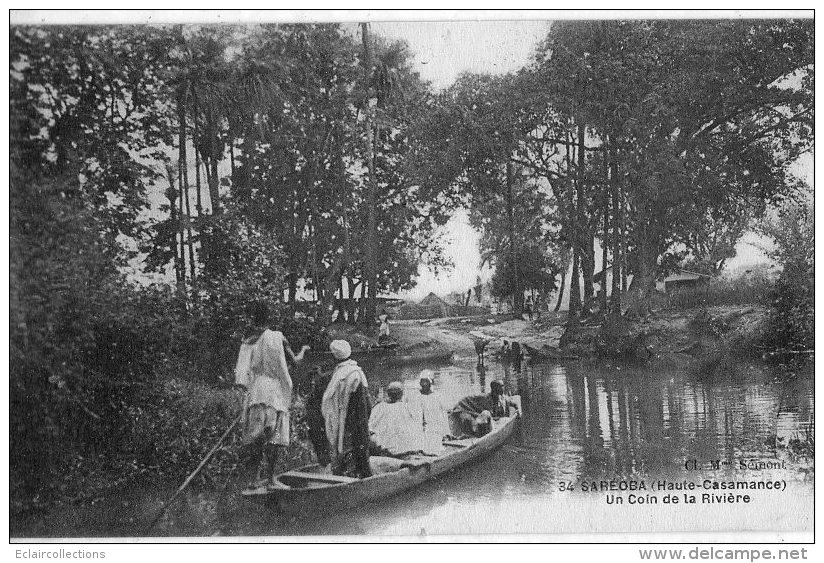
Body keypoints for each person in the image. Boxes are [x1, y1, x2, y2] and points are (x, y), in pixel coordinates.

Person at [234, 301, 309, 488]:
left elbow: (242, 374)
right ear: (270, 317)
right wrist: (304, 350)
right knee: (274, 436)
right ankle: (271, 479)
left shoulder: (249, 340)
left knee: (255, 435)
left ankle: (252, 479)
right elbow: (295, 362)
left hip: (256, 390)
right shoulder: (278, 338)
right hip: (274, 390)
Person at [321, 340, 372, 478]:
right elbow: (366, 402)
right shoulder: (355, 373)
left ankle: (347, 474)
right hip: (355, 419)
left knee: (343, 446)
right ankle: (360, 475)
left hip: (342, 418)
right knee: (358, 446)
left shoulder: (338, 374)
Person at [450, 380, 519, 437]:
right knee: (486, 414)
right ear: (495, 389)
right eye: (501, 387)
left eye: (503, 386)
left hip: (493, 420)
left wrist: (517, 408)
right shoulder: (486, 399)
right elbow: (468, 399)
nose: (503, 388)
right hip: (487, 422)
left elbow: (510, 402)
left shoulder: (501, 396)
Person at [369, 382, 421, 456]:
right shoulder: (406, 407)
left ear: (388, 394)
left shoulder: (378, 407)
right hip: (405, 449)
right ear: (401, 394)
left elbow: (370, 426)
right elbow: (415, 426)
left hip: (384, 448)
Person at [414, 370, 451, 455]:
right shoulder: (416, 396)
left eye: (426, 381)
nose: (423, 384)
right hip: (422, 430)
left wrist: (446, 432)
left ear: (431, 383)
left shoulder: (437, 396)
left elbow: (443, 415)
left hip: (435, 429)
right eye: (422, 381)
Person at [306, 365, 332, 467]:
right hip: (315, 419)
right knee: (318, 441)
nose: (313, 381)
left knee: (325, 441)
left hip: (323, 416)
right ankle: (323, 462)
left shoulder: (324, 383)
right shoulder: (311, 395)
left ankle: (327, 463)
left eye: (315, 376)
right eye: (312, 377)